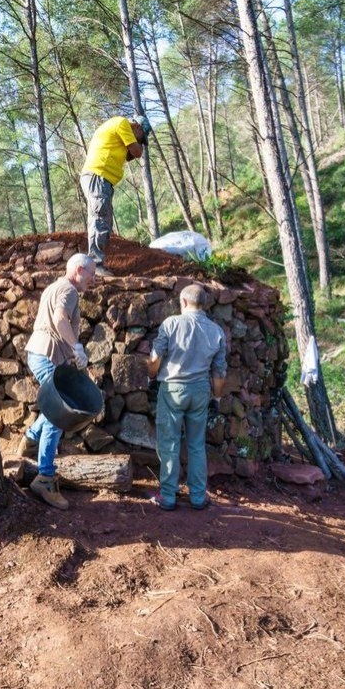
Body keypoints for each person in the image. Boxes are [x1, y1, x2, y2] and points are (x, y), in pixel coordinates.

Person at [17, 252, 98, 509]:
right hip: (49, 354)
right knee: (59, 414)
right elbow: (60, 317)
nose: (93, 280)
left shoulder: (53, 286)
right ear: (78, 270)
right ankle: (46, 477)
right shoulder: (70, 291)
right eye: (91, 274)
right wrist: (76, 347)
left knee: (55, 406)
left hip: (39, 352)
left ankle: (30, 439)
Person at [146, 284, 227, 511]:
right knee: (196, 444)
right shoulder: (216, 331)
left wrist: (152, 376)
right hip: (201, 390)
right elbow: (219, 372)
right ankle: (198, 496)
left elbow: (155, 357)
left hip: (173, 388)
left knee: (169, 442)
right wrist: (217, 399)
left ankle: (168, 495)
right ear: (204, 304)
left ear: (182, 302)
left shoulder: (171, 324)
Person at [81, 115, 152, 275]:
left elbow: (128, 155)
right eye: (141, 139)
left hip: (101, 179)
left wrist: (134, 147)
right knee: (99, 218)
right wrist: (137, 146)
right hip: (98, 176)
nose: (141, 143)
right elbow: (136, 152)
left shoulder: (119, 130)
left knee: (104, 219)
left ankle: (98, 263)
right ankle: (95, 264)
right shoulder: (122, 123)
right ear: (138, 128)